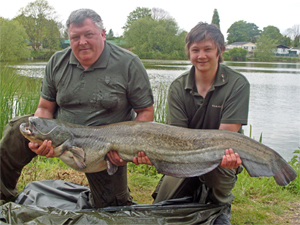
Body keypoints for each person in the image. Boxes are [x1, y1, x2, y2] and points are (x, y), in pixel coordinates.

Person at [0, 8, 154, 208]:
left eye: (88, 34)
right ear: (69, 39)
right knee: (16, 129)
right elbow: (45, 108)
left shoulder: (129, 63)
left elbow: (146, 112)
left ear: (102, 34)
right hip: (62, 133)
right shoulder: (57, 62)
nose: (82, 42)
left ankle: (113, 198)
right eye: (75, 37)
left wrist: (127, 148)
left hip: (103, 146)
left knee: (112, 208)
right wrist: (41, 139)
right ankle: (3, 194)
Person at [135, 22, 250, 224]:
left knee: (220, 166)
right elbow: (177, 137)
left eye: (208, 49)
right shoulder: (178, 87)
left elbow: (225, 138)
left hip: (221, 156)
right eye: (195, 50)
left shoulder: (238, 84)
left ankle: (219, 205)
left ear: (220, 50)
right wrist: (154, 155)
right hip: (184, 156)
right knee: (162, 207)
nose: (201, 56)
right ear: (188, 52)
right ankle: (184, 191)